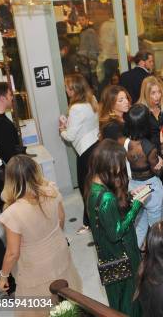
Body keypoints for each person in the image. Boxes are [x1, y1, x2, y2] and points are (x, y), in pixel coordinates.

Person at [0, 156, 82, 316]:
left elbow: (12, 253)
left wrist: (3, 277)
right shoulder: (51, 191)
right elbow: (61, 219)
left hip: (34, 270)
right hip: (59, 254)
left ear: (10, 181)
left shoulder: (13, 213)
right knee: (67, 303)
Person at [86, 140, 149, 316]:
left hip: (109, 257)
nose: (122, 167)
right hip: (123, 257)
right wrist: (136, 205)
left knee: (118, 300)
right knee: (130, 300)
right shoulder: (106, 197)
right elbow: (116, 232)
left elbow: (108, 217)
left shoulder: (94, 186)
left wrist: (129, 198)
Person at [59, 74, 100, 234]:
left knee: (86, 189)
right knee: (96, 185)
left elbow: (70, 136)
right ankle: (94, 218)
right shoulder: (93, 100)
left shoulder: (76, 108)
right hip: (96, 145)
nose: (66, 91)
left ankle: (89, 222)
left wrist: (62, 129)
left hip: (85, 152)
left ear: (74, 89)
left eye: (68, 88)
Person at [125, 104, 163, 246]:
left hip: (133, 186)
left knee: (139, 226)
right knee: (156, 228)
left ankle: (137, 257)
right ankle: (158, 259)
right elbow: (157, 171)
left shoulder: (126, 143)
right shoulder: (149, 147)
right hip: (151, 188)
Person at [0, 82, 23, 211]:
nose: (12, 97)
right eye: (9, 94)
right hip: (9, 183)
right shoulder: (2, 125)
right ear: (2, 98)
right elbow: (11, 157)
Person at [138, 76, 163, 157]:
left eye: (159, 92)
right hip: (153, 155)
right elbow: (141, 140)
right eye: (153, 93)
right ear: (145, 94)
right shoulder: (140, 111)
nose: (158, 96)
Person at [98, 17, 119, 94]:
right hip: (115, 56)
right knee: (121, 78)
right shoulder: (117, 25)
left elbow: (100, 40)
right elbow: (118, 42)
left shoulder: (104, 25)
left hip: (105, 56)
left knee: (105, 79)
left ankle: (100, 96)